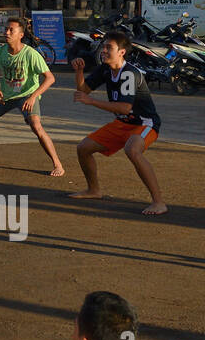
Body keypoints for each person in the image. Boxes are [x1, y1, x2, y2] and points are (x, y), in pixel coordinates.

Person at [70, 32, 168, 215]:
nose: (104, 51)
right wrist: (79, 72)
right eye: (104, 46)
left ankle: (159, 202)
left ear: (122, 52)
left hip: (144, 123)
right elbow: (83, 90)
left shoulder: (129, 73)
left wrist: (91, 101)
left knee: (132, 150)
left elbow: (124, 107)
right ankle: (94, 190)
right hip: (123, 123)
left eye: (109, 48)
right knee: (83, 148)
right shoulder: (105, 69)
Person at [0, 17, 64, 176]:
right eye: (6, 29)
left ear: (21, 34)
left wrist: (33, 97)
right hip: (6, 96)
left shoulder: (31, 54)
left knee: (36, 125)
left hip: (26, 95)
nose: (7, 32)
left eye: (11, 30)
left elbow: (50, 78)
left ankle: (57, 164)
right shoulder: (0, 52)